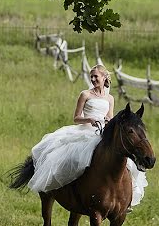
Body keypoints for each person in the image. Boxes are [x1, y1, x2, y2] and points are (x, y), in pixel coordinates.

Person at [27, 64, 147, 207]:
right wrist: (89, 120)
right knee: (76, 158)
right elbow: (76, 117)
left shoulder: (110, 98)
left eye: (96, 76)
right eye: (92, 77)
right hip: (85, 131)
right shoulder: (85, 94)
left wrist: (109, 123)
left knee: (125, 162)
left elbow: (109, 117)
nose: (93, 79)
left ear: (104, 78)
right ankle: (71, 189)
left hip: (102, 132)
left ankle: (123, 198)